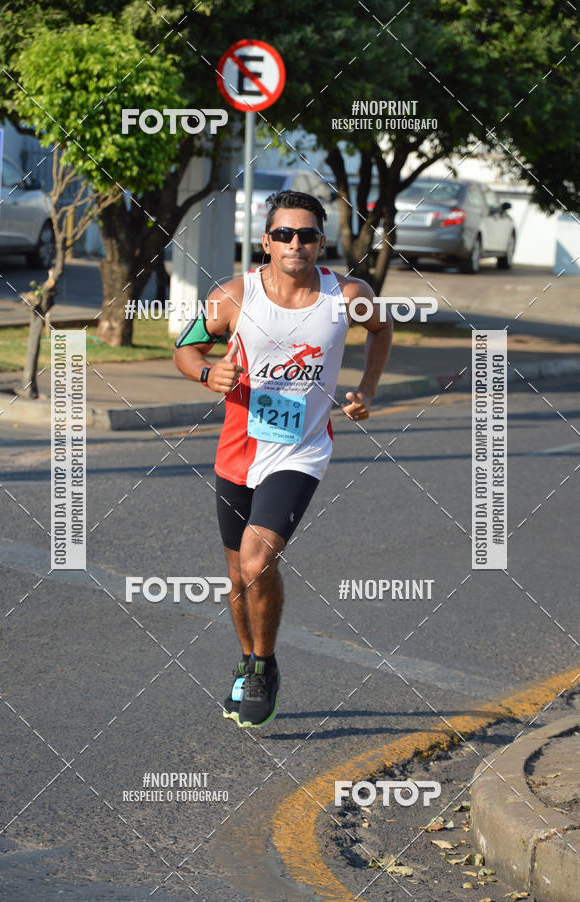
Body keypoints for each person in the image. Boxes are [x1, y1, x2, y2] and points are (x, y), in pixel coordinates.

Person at [173, 190, 392, 727]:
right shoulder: (232, 297)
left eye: (308, 234)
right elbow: (185, 349)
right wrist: (207, 373)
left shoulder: (347, 295)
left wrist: (366, 388)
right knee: (235, 576)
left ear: (322, 242)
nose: (297, 243)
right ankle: (248, 663)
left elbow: (381, 329)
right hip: (237, 451)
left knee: (256, 561)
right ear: (266, 241)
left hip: (301, 449)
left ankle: (265, 667)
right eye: (285, 234)